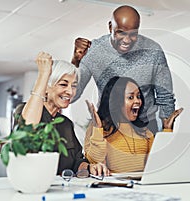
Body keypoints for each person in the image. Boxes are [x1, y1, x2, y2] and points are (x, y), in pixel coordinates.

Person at [71, 5, 175, 134]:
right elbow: (71, 95)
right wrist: (75, 61)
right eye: (121, 33)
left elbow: (165, 97)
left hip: (146, 126)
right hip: (108, 125)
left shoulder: (153, 50)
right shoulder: (94, 51)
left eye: (133, 34)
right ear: (110, 27)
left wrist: (167, 133)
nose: (127, 40)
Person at [14, 52, 109, 176]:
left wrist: (90, 167)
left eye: (74, 86)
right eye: (63, 84)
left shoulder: (66, 124)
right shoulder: (24, 110)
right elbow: (28, 130)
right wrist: (44, 74)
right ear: (46, 87)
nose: (70, 91)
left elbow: (77, 161)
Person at [84, 76, 183, 173]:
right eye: (130, 97)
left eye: (138, 96)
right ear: (116, 101)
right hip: (112, 186)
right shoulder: (99, 128)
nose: (137, 101)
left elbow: (157, 164)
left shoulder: (144, 131)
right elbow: (94, 163)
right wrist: (98, 129)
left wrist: (167, 130)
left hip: (140, 186)